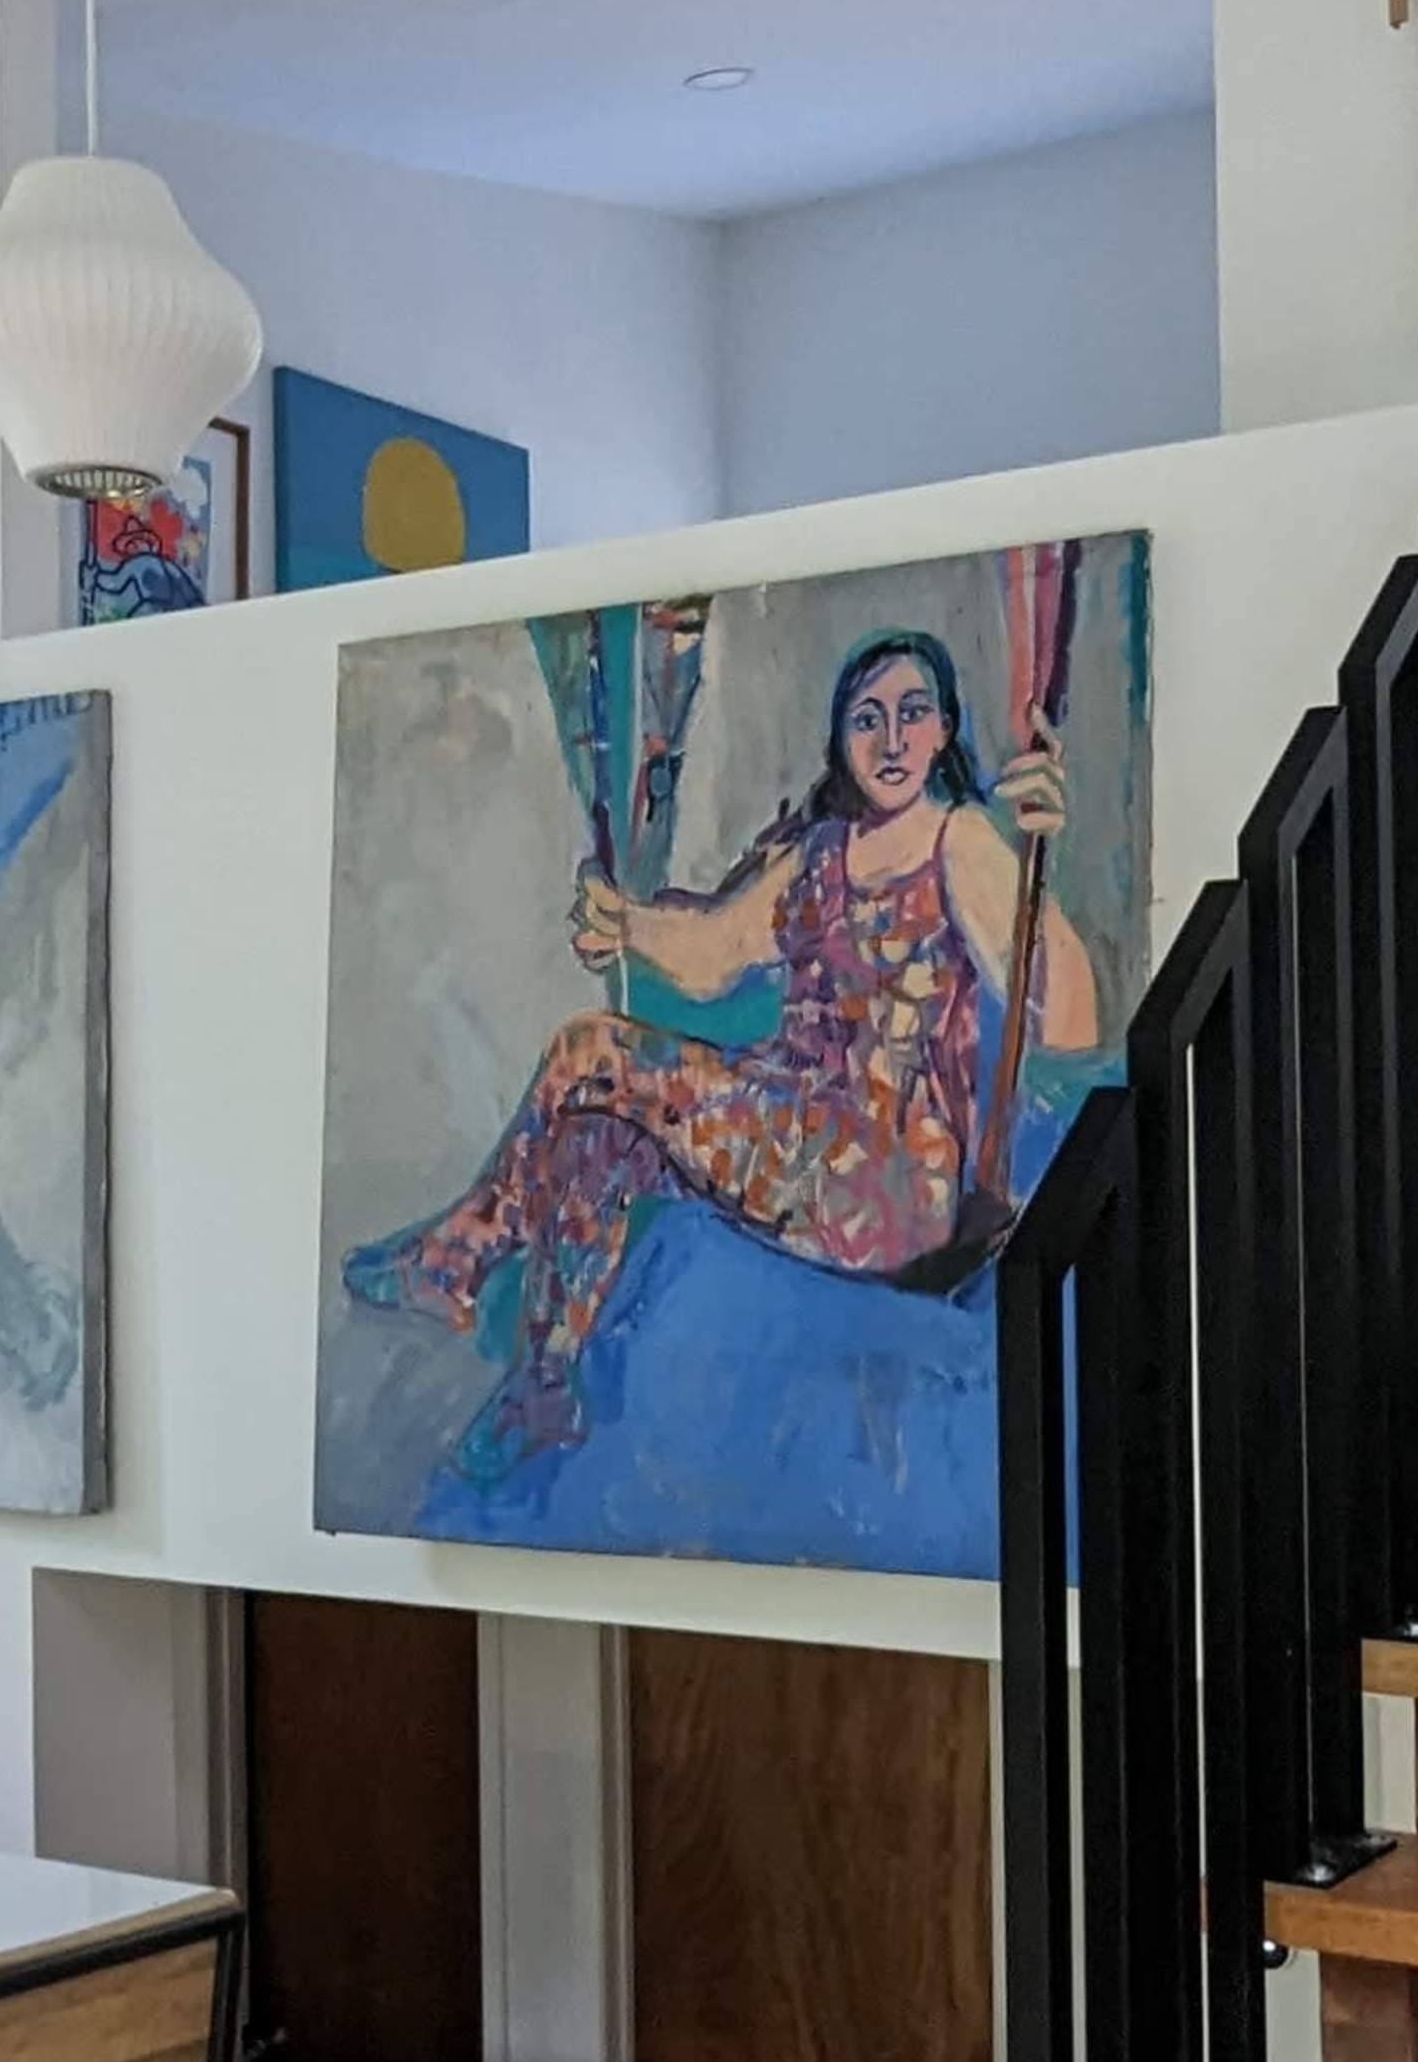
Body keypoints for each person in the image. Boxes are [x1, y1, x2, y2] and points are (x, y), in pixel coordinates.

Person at [346, 626, 1094, 1473]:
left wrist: (1040, 868)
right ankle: (542, 1386)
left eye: (913, 714)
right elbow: (715, 949)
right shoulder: (820, 852)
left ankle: (457, 1259)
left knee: (592, 1049)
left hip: (882, 1178)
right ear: (840, 738)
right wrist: (626, 923)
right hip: (787, 1126)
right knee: (597, 1137)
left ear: (946, 729)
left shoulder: (959, 842)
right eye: (868, 718)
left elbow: (1069, 1026)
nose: (890, 740)